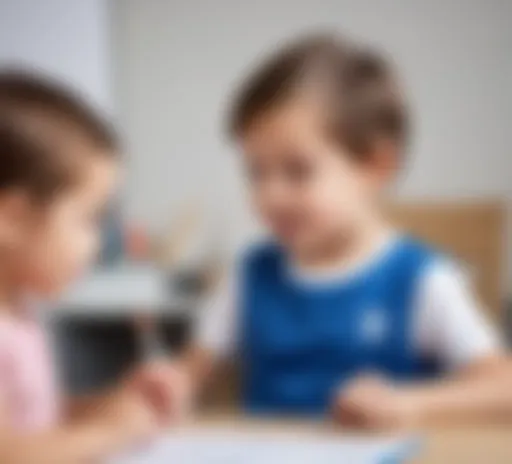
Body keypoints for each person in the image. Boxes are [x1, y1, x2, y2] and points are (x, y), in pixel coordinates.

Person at [133, 34, 511, 430]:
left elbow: (505, 388)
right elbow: (190, 374)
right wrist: (168, 386)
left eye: (298, 171)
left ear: (375, 167)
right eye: (255, 172)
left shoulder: (422, 280)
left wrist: (412, 404)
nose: (269, 195)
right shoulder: (249, 274)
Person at [0, 71, 160, 463]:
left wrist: (109, 405)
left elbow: (35, 422)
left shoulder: (19, 313)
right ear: (13, 219)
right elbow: (12, 454)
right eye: (90, 219)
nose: (98, 243)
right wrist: (111, 434)